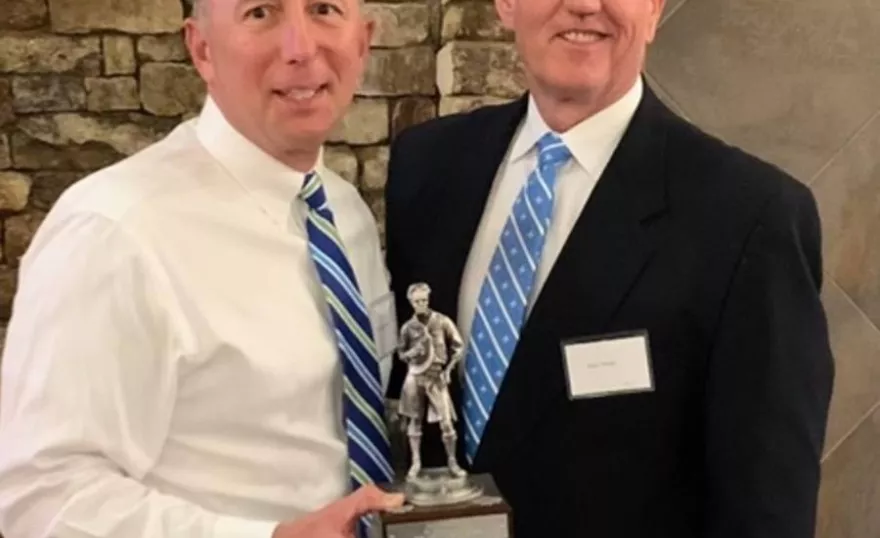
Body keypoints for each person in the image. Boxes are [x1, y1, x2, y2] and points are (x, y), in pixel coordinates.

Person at [383, 0, 834, 537]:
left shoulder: (751, 217)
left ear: (653, 10)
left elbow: (766, 513)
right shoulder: (427, 166)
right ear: (506, 5)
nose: (583, 5)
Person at [0, 0, 403, 537]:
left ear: (363, 40)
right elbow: (40, 499)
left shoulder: (343, 211)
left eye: (324, 9)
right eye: (261, 13)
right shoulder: (113, 231)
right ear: (202, 48)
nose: (302, 48)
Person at [395, 282, 466, 479]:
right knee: (414, 421)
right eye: (417, 301)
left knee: (446, 422)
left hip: (436, 376)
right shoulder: (408, 328)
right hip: (415, 376)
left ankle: (452, 461)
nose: (421, 304)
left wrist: (449, 370)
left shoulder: (442, 321)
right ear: (411, 302)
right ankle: (416, 462)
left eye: (424, 300)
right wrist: (412, 352)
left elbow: (458, 347)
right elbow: (400, 353)